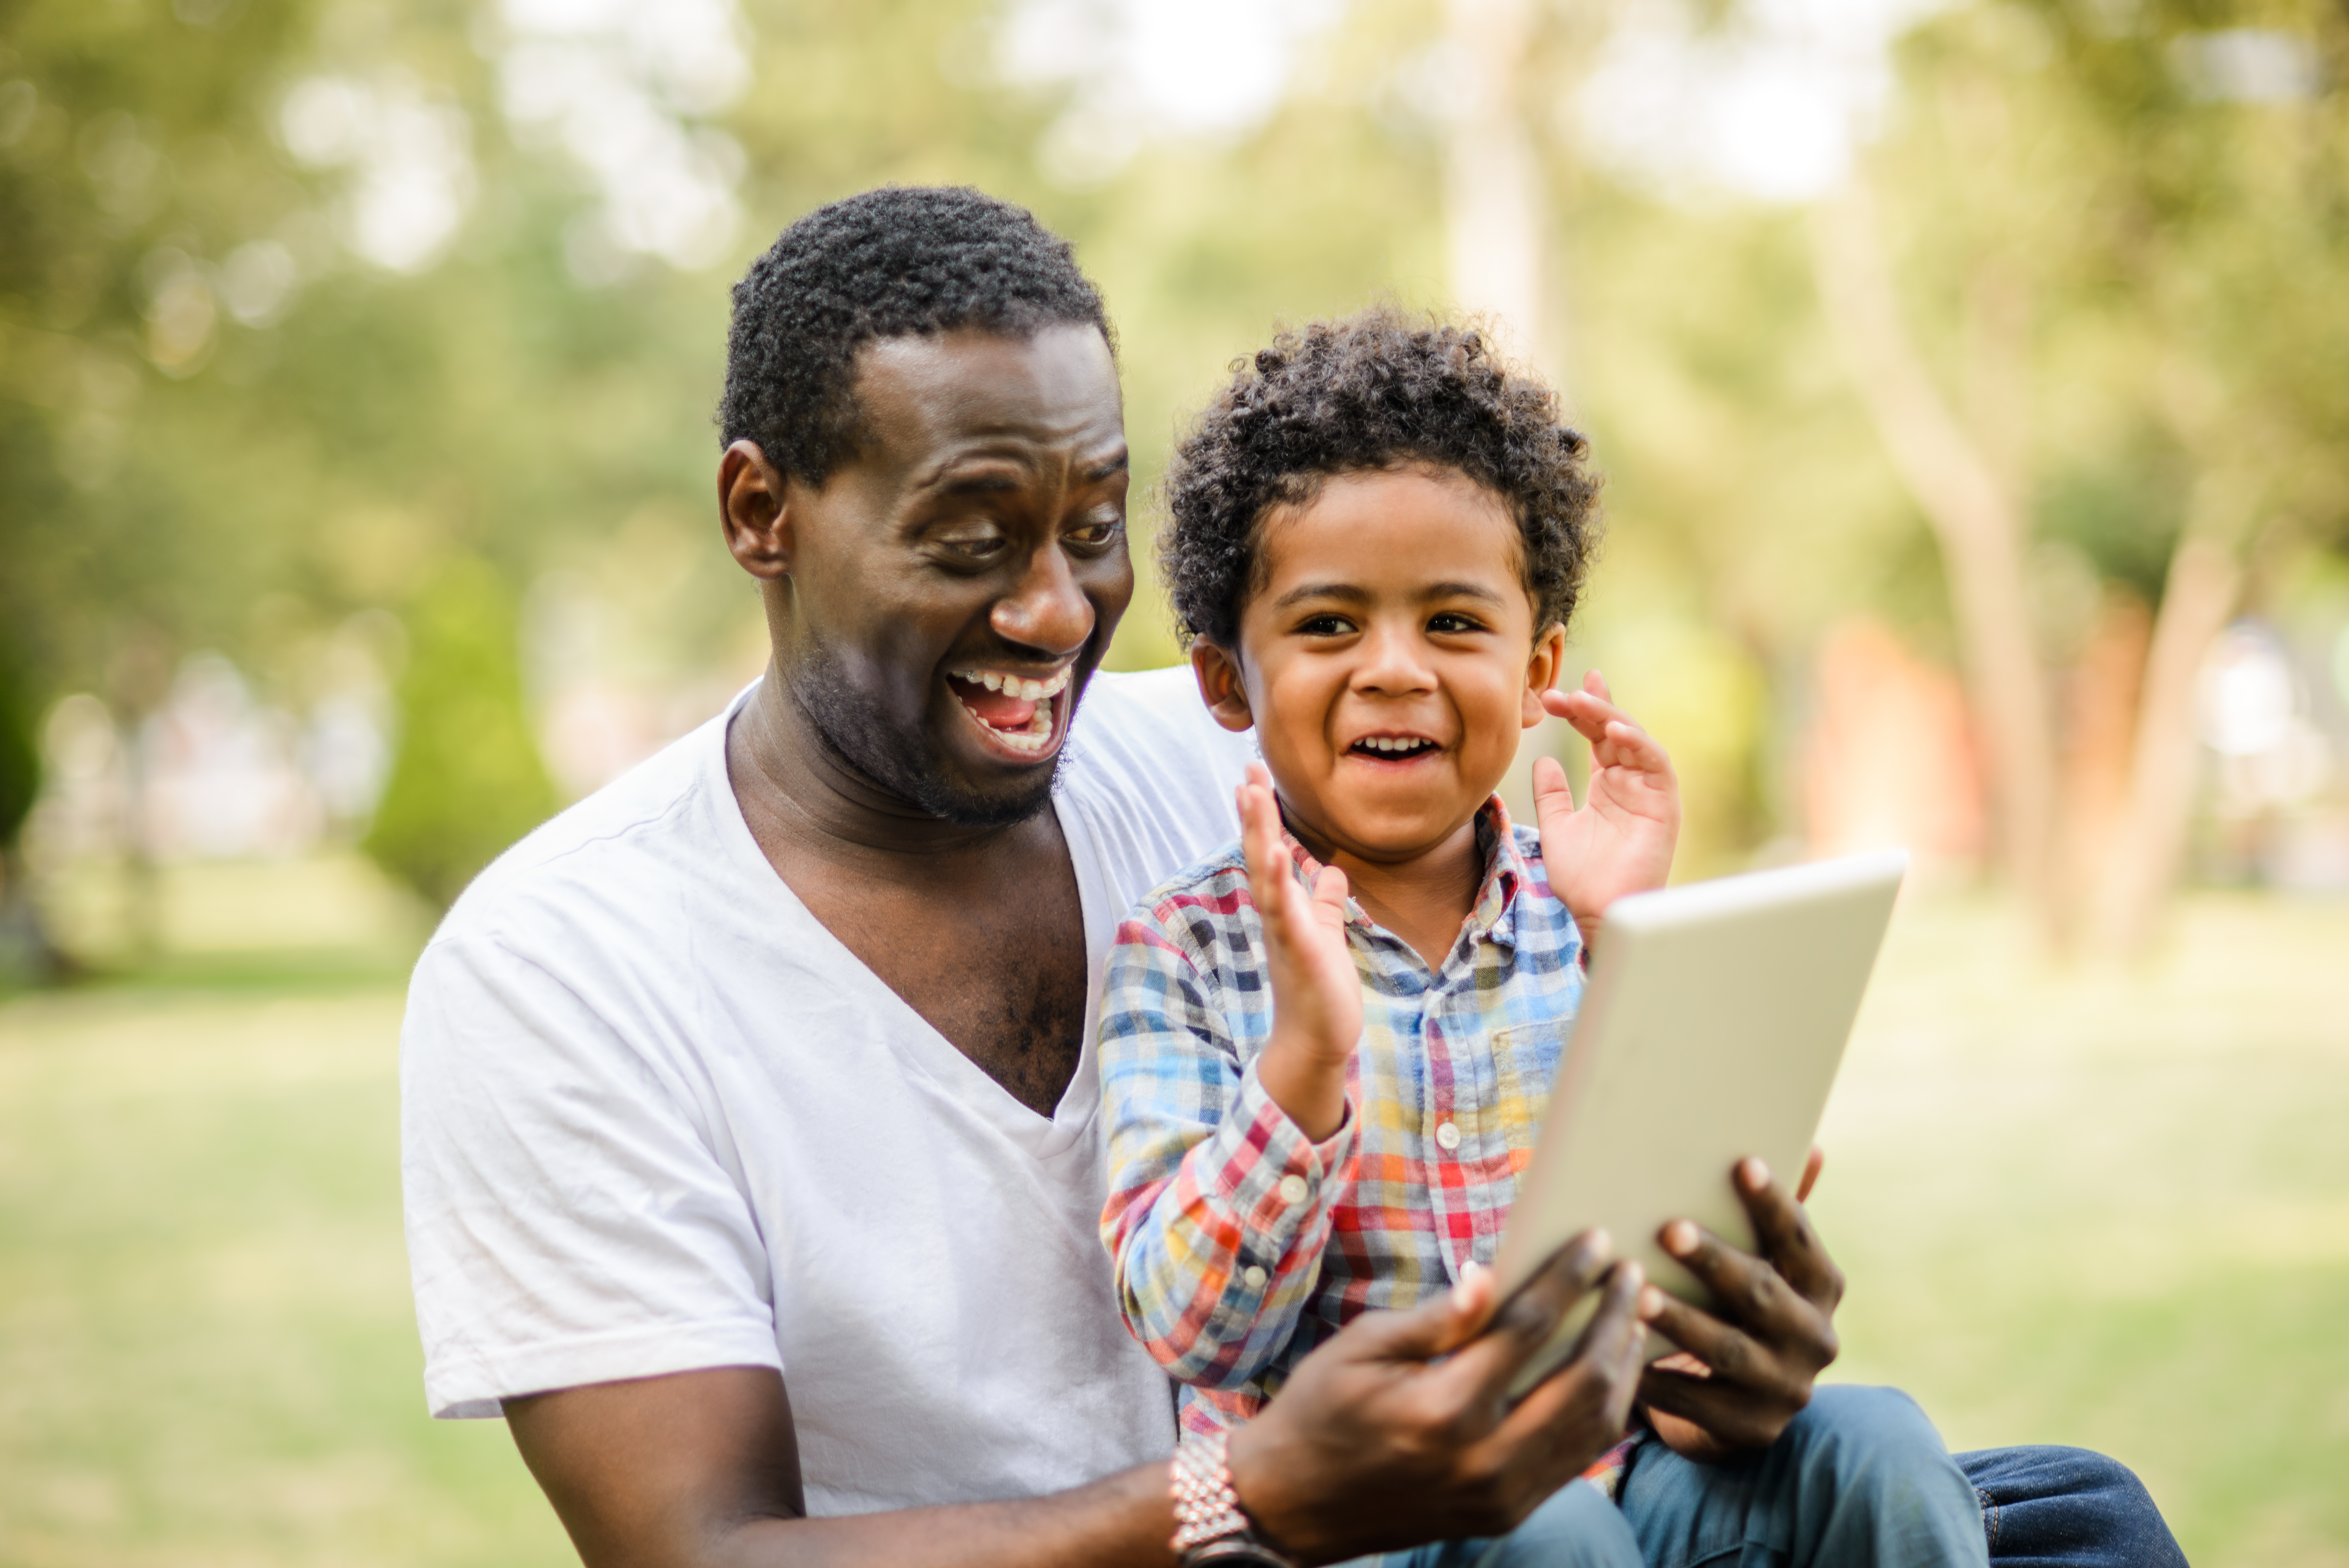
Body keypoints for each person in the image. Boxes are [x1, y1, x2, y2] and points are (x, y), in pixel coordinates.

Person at [398, 185, 2187, 1568]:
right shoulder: (564, 963)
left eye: (1091, 530)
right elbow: (694, 1549)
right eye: (967, 538)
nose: (1048, 611)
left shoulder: (1238, 753)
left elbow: (1530, 1019)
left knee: (2075, 1512)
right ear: (760, 511)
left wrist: (1721, 1306)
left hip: (1501, 1483)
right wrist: (1228, 1486)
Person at [1099, 309, 1990, 1565]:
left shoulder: (1591, 924)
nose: (1398, 669)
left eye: (1455, 624)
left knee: (1883, 1445)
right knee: (1549, 1533)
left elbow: (1686, 1252)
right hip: (1366, 1534)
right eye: (1329, 625)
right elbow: (1197, 1331)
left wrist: (1627, 942)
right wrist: (1301, 1065)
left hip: (1629, 1482)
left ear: (1538, 670)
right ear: (1225, 681)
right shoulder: (1187, 952)